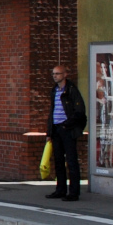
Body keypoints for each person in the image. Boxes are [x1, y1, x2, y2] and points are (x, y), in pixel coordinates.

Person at [46, 64, 88, 202]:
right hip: (56, 129)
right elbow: (51, 112)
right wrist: (49, 132)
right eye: (53, 74)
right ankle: (60, 189)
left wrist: (67, 125)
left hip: (67, 130)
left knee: (71, 161)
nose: (55, 76)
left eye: (57, 74)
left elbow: (79, 112)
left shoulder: (71, 90)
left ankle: (74, 192)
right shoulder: (54, 91)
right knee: (58, 161)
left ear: (65, 75)